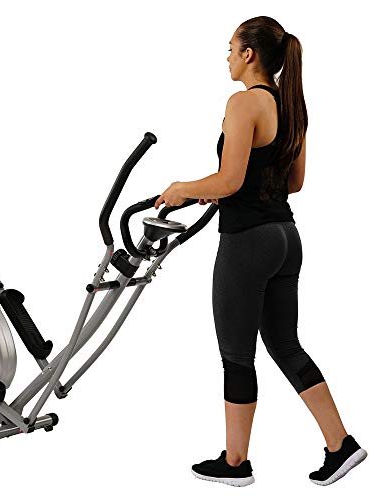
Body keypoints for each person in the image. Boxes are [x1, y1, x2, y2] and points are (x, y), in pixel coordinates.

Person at [154, 16, 367, 487]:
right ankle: (341, 445)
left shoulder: (243, 102)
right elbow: (294, 182)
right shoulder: (292, 107)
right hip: (285, 239)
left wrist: (183, 188)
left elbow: (230, 180)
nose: (228, 58)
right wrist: (219, 190)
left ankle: (235, 463)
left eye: (231, 49)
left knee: (237, 354)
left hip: (247, 243)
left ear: (249, 54)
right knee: (285, 345)